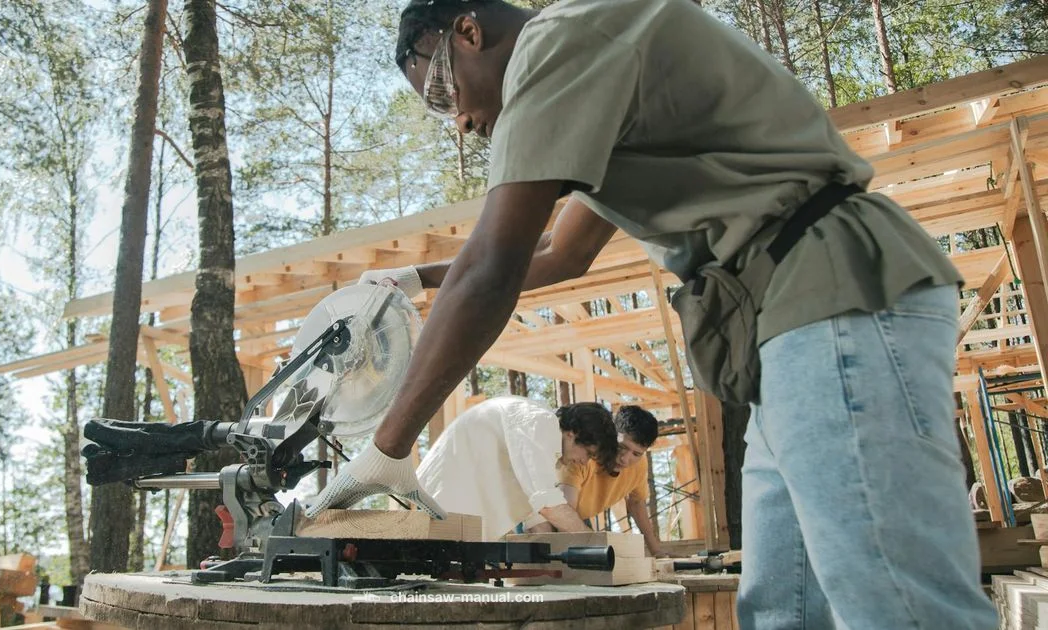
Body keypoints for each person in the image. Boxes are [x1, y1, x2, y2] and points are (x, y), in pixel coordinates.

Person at [308, 0, 997, 627]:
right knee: (785, 608)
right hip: (790, 331)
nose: (457, 118)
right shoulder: (598, 94)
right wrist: (414, 278)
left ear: (469, 31)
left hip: (833, 293)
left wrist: (387, 448)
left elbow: (495, 267)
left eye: (441, 90)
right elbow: (559, 253)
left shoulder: (560, 42)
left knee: (895, 604)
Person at [414, 397, 617, 540]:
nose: (584, 462)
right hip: (443, 500)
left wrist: (547, 547)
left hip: (457, 512)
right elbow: (547, 504)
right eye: (588, 454)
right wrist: (594, 541)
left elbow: (535, 512)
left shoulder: (543, 446)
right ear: (573, 433)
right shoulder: (540, 423)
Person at [559, 405, 666, 557]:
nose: (625, 459)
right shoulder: (582, 457)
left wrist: (656, 551)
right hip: (548, 513)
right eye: (621, 447)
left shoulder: (639, 465)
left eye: (636, 453)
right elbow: (564, 512)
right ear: (609, 435)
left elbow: (636, 502)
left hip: (580, 519)